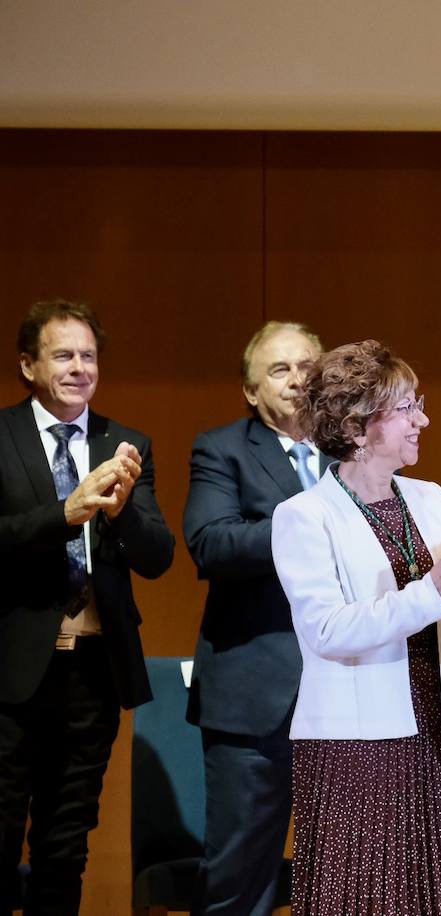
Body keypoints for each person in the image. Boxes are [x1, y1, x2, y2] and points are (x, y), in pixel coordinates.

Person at [270, 340, 441, 916]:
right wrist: (432, 590)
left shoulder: (429, 497)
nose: (422, 419)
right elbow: (327, 631)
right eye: (405, 408)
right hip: (358, 748)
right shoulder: (303, 516)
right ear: (356, 424)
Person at [0, 299, 175, 914]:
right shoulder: (1, 436)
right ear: (27, 365)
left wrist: (122, 508)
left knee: (65, 843)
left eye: (89, 356)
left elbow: (158, 558)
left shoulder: (124, 443)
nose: (79, 367)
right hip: (11, 674)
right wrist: (64, 514)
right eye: (63, 355)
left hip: (93, 671)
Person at [184, 320, 324, 916]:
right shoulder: (223, 448)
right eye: (279, 369)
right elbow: (212, 543)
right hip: (254, 698)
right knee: (242, 881)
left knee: (344, 877)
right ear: (251, 390)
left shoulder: (356, 452)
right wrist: (314, 525)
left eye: (307, 367)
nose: (297, 381)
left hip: (347, 696)